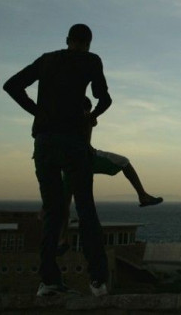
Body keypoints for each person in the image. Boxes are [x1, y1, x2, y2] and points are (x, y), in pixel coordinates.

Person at [3, 24, 112, 297]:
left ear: (67, 40)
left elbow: (11, 85)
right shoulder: (90, 60)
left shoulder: (47, 59)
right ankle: (97, 280)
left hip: (44, 143)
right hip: (74, 143)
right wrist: (91, 115)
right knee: (85, 208)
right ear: (87, 42)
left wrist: (38, 113)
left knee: (52, 211)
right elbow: (104, 98)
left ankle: (49, 281)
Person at [55, 97, 163, 255]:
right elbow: (101, 108)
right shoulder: (83, 118)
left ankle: (61, 239)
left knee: (65, 202)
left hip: (73, 161)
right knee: (124, 162)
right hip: (84, 159)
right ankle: (142, 195)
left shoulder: (72, 120)